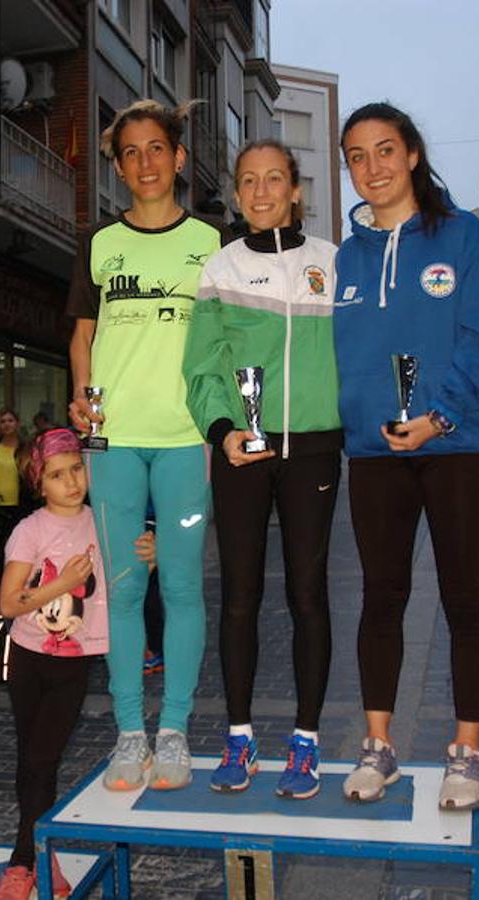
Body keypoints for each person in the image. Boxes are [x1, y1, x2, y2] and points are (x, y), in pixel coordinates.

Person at [332, 102, 479, 812]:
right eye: (355, 156)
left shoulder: (462, 236)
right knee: (380, 598)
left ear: (410, 154)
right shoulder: (344, 259)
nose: (370, 167)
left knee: (464, 595)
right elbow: (333, 356)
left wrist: (437, 416)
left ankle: (466, 752)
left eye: (383, 150)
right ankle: (378, 746)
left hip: (456, 444)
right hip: (373, 453)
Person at [66, 98, 223, 792]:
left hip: (187, 438)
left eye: (156, 148)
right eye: (130, 153)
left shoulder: (214, 243)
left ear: (178, 157)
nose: (144, 163)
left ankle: (175, 731)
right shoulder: (99, 243)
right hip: (113, 440)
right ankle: (130, 732)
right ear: (118, 167)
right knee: (123, 590)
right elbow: (82, 333)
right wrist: (81, 394)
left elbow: (227, 337)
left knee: (183, 588)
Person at [182, 139, 343, 799]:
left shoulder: (332, 264)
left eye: (272, 178)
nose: (259, 191)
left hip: (313, 449)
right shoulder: (219, 269)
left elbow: (357, 355)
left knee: (307, 595)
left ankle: (304, 742)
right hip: (241, 453)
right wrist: (221, 432)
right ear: (237, 193)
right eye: (247, 180)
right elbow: (200, 365)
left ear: (295, 189)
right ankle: (239, 738)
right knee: (239, 597)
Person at [0, 429, 155, 899]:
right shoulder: (30, 530)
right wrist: (58, 586)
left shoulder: (102, 519)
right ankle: (41, 859)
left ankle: (23, 864)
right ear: (39, 484)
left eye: (76, 469)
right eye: (58, 475)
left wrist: (153, 556)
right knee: (31, 761)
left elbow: (128, 571)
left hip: (73, 664)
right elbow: (8, 603)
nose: (71, 482)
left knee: (43, 759)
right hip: (27, 659)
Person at [0, 409, 28, 580]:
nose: (6, 424)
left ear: (17, 423)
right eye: (3, 421)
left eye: (10, 420)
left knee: (15, 540)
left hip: (19, 503)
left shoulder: (24, 447)